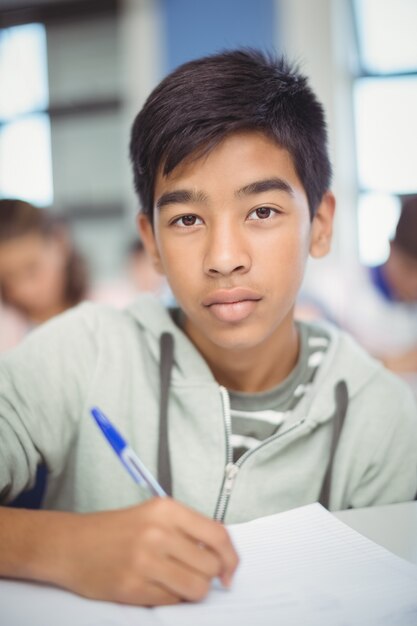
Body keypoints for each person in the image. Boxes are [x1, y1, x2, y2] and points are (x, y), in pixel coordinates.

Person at [0, 49, 416, 608]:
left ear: (319, 226)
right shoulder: (82, 351)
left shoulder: (382, 418)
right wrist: (63, 545)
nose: (223, 257)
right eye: (187, 219)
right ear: (151, 243)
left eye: (262, 211)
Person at [302, 195, 417, 396]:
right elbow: (310, 355)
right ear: (391, 248)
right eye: (410, 269)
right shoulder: (335, 289)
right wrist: (393, 363)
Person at [0, 198, 88, 352]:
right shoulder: (6, 333)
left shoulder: (111, 307)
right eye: (8, 277)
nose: (24, 289)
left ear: (60, 243)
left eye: (32, 270)